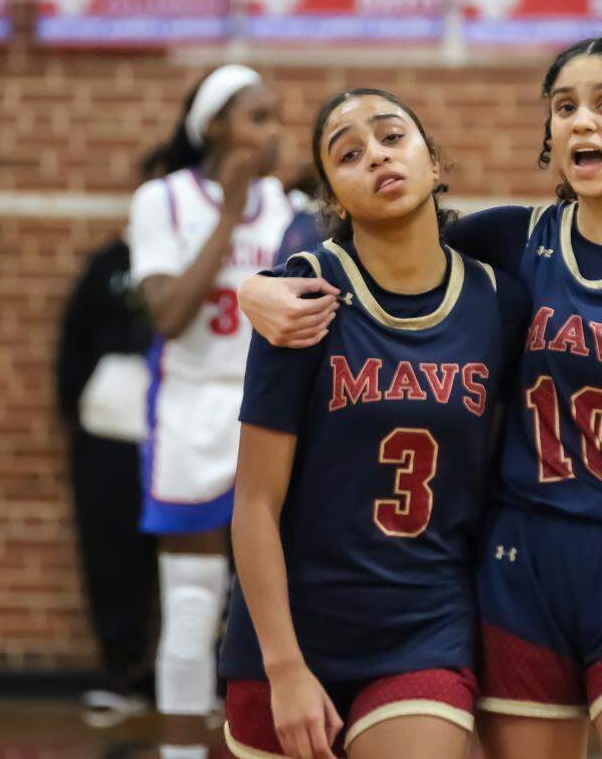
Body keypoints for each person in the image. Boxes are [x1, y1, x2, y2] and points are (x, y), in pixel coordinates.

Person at [240, 36, 602, 759]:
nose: (582, 121)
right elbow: (392, 252)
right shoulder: (513, 242)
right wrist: (255, 286)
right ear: (549, 134)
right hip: (521, 573)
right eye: (564, 107)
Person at [219, 88, 530, 759]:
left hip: (421, 625)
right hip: (289, 630)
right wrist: (285, 668)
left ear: (435, 163)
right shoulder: (302, 298)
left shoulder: (499, 300)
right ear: (332, 196)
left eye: (392, 137)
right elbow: (253, 502)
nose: (377, 157)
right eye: (349, 153)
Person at [127, 64, 295, 759]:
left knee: (284, 601)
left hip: (273, 410)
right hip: (193, 406)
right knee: (194, 601)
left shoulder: (291, 208)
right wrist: (228, 214)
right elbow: (166, 315)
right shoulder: (162, 201)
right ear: (216, 126)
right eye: (259, 116)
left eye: (278, 117)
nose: (274, 131)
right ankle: (179, 752)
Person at [56, 233, 156, 726]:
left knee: (202, 558)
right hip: (110, 434)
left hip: (191, 430)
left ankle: (211, 681)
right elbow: (74, 340)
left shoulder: (221, 256)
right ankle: (124, 673)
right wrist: (81, 405)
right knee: (112, 554)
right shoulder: (111, 264)